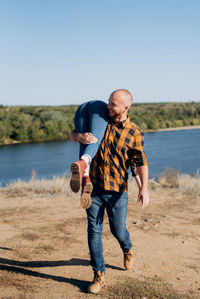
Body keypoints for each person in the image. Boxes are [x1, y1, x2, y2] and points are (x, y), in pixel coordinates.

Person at [71, 89, 149, 294]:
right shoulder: (100, 122)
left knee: (118, 231)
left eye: (113, 104)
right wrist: (81, 136)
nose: (108, 106)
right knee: (94, 231)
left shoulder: (134, 132)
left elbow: (139, 164)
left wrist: (144, 188)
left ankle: (127, 248)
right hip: (93, 189)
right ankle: (99, 274)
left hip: (117, 192)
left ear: (125, 107)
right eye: (108, 102)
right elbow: (71, 135)